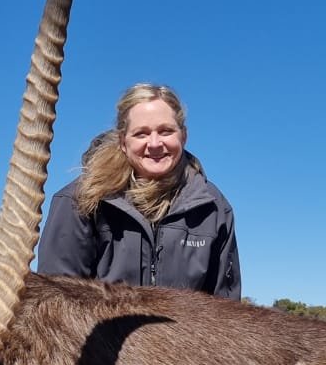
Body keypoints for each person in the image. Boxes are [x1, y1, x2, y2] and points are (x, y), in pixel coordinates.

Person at [37, 83, 241, 298]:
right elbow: (56, 302)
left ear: (183, 136)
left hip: (189, 332)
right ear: (123, 142)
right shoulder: (77, 200)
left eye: (166, 131)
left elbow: (225, 306)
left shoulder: (214, 207)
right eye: (141, 134)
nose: (154, 144)